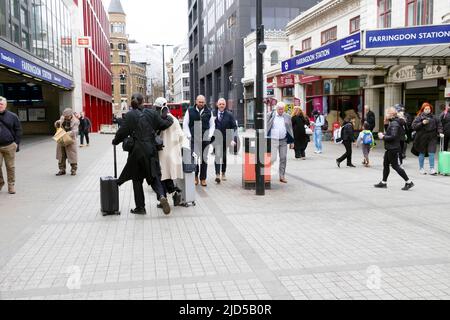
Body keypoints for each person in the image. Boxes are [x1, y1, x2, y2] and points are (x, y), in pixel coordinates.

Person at [113, 93, 174, 215]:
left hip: (137, 152)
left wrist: (115, 141)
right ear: (143, 101)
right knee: (154, 175)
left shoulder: (130, 115)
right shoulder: (152, 113)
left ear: (132, 102)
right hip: (151, 150)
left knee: (137, 178)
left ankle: (140, 207)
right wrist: (169, 118)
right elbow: (163, 124)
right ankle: (161, 195)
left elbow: (122, 132)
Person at [153, 97, 187, 205]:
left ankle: (164, 199)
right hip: (173, 153)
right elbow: (181, 136)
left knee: (162, 176)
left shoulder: (159, 120)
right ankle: (174, 193)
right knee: (168, 175)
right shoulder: (174, 120)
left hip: (161, 152)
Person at [375, 107, 414, 191]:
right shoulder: (393, 122)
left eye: (386, 113)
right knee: (385, 164)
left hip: (393, 148)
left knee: (395, 166)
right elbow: (391, 132)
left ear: (391, 114)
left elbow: (393, 136)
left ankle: (408, 182)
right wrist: (385, 124)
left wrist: (383, 136)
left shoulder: (394, 123)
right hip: (390, 147)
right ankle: (383, 182)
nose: (385, 115)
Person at [183, 95, 215, 187]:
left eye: (202, 102)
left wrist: (209, 135)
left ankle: (203, 178)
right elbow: (185, 124)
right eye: (199, 102)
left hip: (205, 139)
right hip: (194, 139)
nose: (201, 103)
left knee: (204, 159)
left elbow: (212, 125)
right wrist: (189, 136)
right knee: (195, 158)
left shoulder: (209, 112)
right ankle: (195, 177)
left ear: (204, 102)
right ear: (196, 101)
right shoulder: (190, 110)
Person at [412, 102, 444, 175]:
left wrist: (440, 132)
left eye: (428, 109)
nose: (427, 110)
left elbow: (439, 125)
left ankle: (432, 168)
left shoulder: (435, 117)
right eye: (426, 109)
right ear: (423, 109)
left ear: (431, 109)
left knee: (431, 153)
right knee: (422, 153)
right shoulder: (419, 117)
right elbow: (413, 126)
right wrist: (422, 123)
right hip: (421, 138)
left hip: (432, 137)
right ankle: (421, 168)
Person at [267, 102, 294, 183]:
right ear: (276, 108)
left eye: (282, 109)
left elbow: (290, 129)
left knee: (283, 158)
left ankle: (282, 176)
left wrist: (292, 142)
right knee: (273, 158)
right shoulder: (270, 115)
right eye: (280, 109)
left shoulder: (287, 116)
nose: (281, 111)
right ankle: (267, 173)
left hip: (283, 140)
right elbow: (266, 126)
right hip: (273, 140)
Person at [0, 96, 22, 194]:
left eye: (1, 104)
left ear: (5, 105)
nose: (0, 106)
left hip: (9, 145)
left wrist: (16, 144)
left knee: (10, 166)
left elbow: (18, 130)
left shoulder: (12, 116)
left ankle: (11, 185)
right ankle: (0, 182)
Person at [213, 98, 237, 184]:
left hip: (226, 139)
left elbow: (234, 127)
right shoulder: (213, 114)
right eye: (220, 104)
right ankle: (217, 174)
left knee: (223, 157)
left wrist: (233, 138)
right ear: (217, 105)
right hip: (216, 139)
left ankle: (223, 173)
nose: (221, 105)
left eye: (223, 104)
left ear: (225, 105)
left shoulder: (229, 115)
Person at [55, 108, 80, 176]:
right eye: (64, 116)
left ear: (71, 115)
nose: (65, 117)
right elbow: (57, 125)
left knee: (72, 155)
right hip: (61, 138)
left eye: (67, 116)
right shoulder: (62, 118)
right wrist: (57, 123)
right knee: (61, 155)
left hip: (70, 140)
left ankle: (73, 169)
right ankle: (62, 170)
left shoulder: (76, 121)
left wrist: (67, 133)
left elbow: (75, 131)